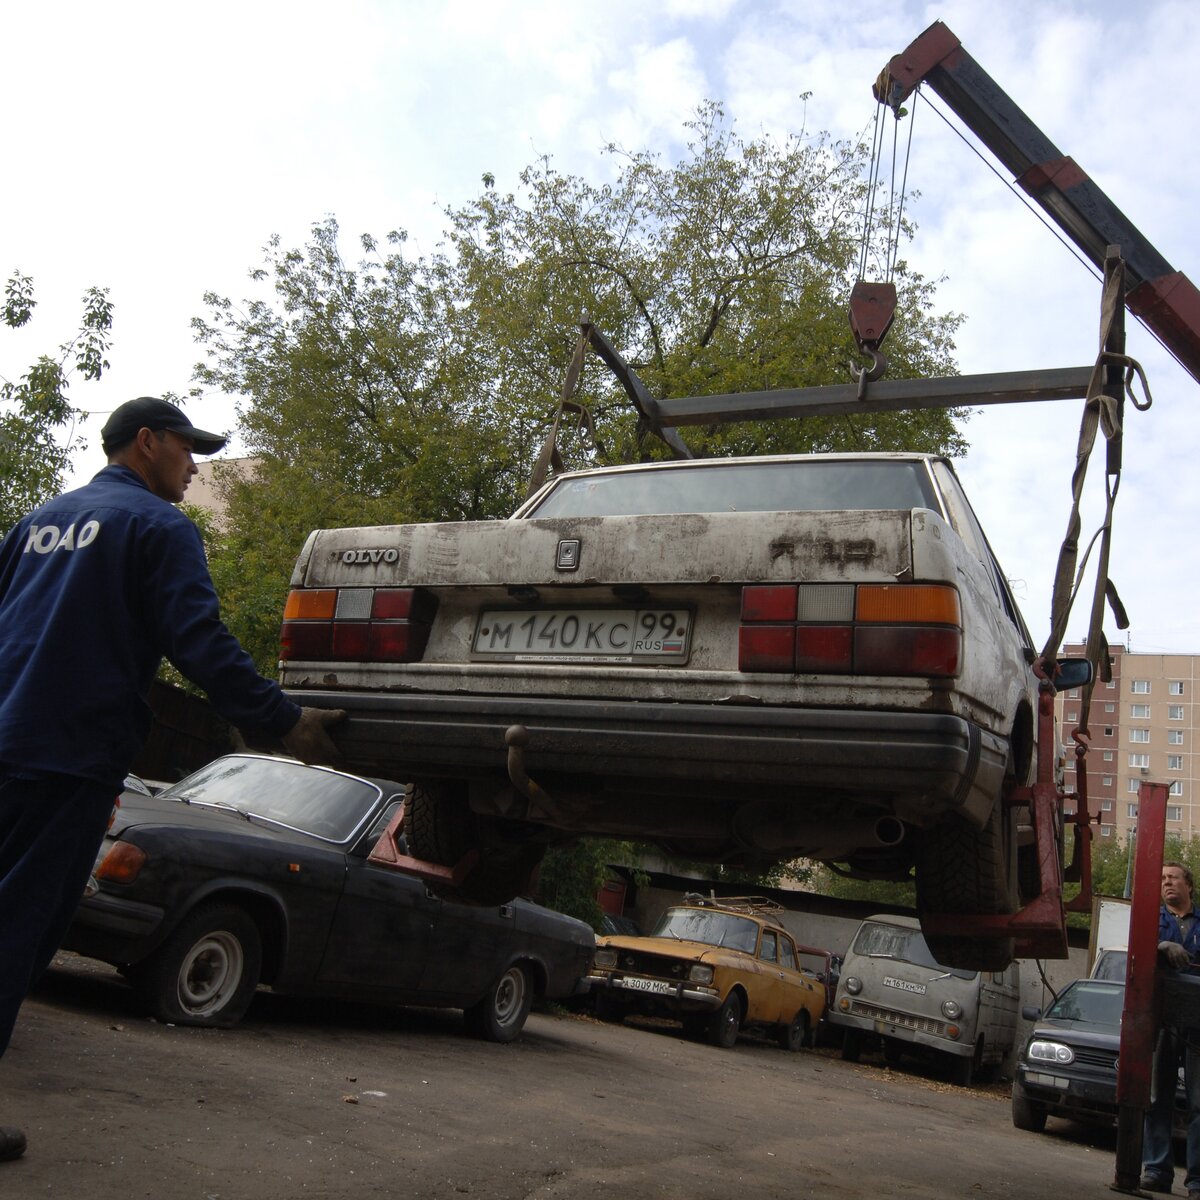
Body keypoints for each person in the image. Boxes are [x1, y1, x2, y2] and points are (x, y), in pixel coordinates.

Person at [0, 397, 344, 1162]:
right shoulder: (158, 528)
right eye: (188, 449)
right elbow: (199, 641)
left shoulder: (38, 522)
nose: (195, 466)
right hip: (66, 759)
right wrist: (283, 719)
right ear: (146, 442)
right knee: (19, 926)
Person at [1142, 860, 1200, 1197]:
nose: (1167, 883)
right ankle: (1157, 1171)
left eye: (1174, 878)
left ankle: (1196, 1180)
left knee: (1199, 1104)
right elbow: (1136, 956)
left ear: (1189, 886)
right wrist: (1158, 947)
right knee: (1157, 1098)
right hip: (1163, 1020)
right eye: (1162, 878)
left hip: (1198, 1024)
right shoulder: (1152, 921)